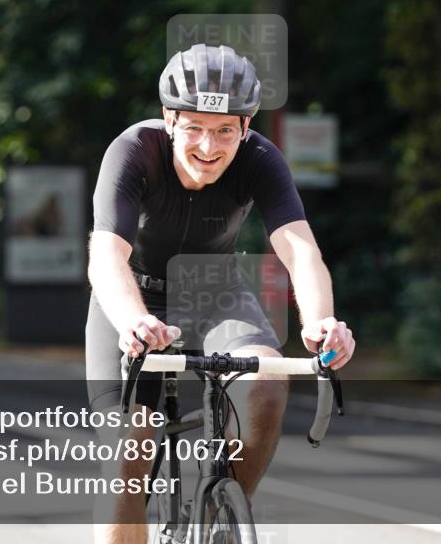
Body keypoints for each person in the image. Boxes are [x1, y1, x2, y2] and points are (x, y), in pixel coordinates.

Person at [86, 43, 355, 544]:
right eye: (194, 128)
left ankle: (222, 518)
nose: (209, 147)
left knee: (268, 382)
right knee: (129, 448)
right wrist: (132, 321)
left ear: (245, 127)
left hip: (215, 293)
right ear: (169, 118)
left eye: (225, 130)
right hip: (133, 299)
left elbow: (300, 250)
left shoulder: (260, 158)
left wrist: (321, 321)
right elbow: (106, 257)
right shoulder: (133, 150)